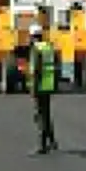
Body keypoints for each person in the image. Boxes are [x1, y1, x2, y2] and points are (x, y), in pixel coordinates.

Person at [27, 23, 58, 154]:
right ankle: (52, 141)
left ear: (32, 36)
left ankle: (42, 146)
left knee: (40, 116)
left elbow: (35, 70)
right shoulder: (49, 47)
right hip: (49, 85)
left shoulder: (36, 49)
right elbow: (55, 66)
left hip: (39, 86)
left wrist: (33, 89)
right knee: (46, 114)